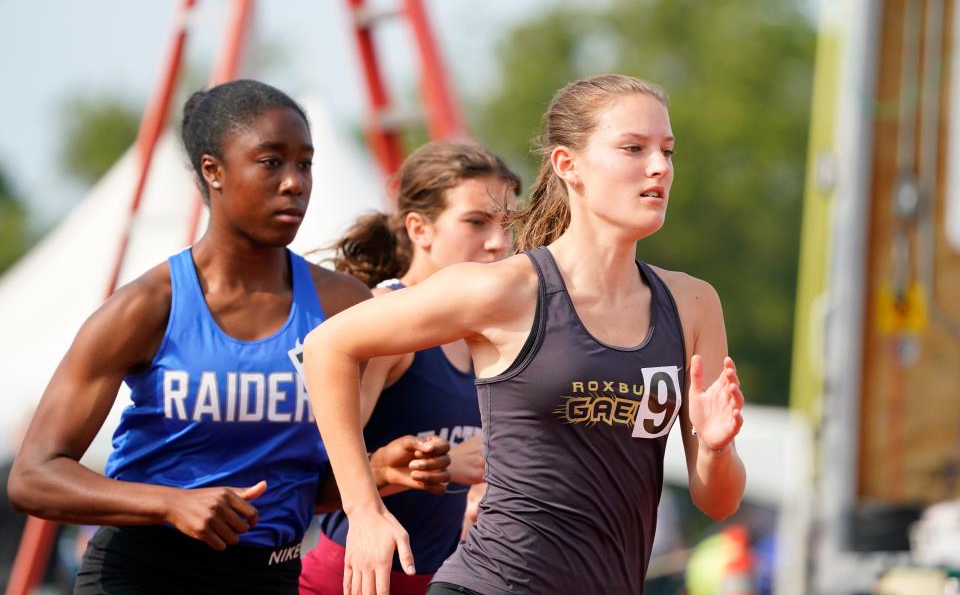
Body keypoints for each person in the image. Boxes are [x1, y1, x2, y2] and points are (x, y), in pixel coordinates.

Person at [303, 74, 747, 595]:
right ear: (568, 166)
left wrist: (716, 449)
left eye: (667, 151)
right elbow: (327, 346)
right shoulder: (505, 290)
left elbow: (718, 501)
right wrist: (364, 509)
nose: (659, 168)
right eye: (633, 148)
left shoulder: (693, 304)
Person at [8, 79, 450, 595]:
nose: (294, 183)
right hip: (143, 575)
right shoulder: (147, 306)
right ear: (212, 171)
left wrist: (377, 469)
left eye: (304, 164)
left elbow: (299, 489)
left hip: (271, 576)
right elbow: (33, 476)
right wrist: (170, 503)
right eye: (271, 162)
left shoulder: (341, 306)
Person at [299, 140, 521, 595]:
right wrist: (428, 468)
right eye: (476, 222)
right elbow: (313, 476)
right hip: (353, 579)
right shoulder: (384, 318)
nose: (499, 242)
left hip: (441, 579)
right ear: (420, 228)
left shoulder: (485, 327)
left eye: (508, 223)